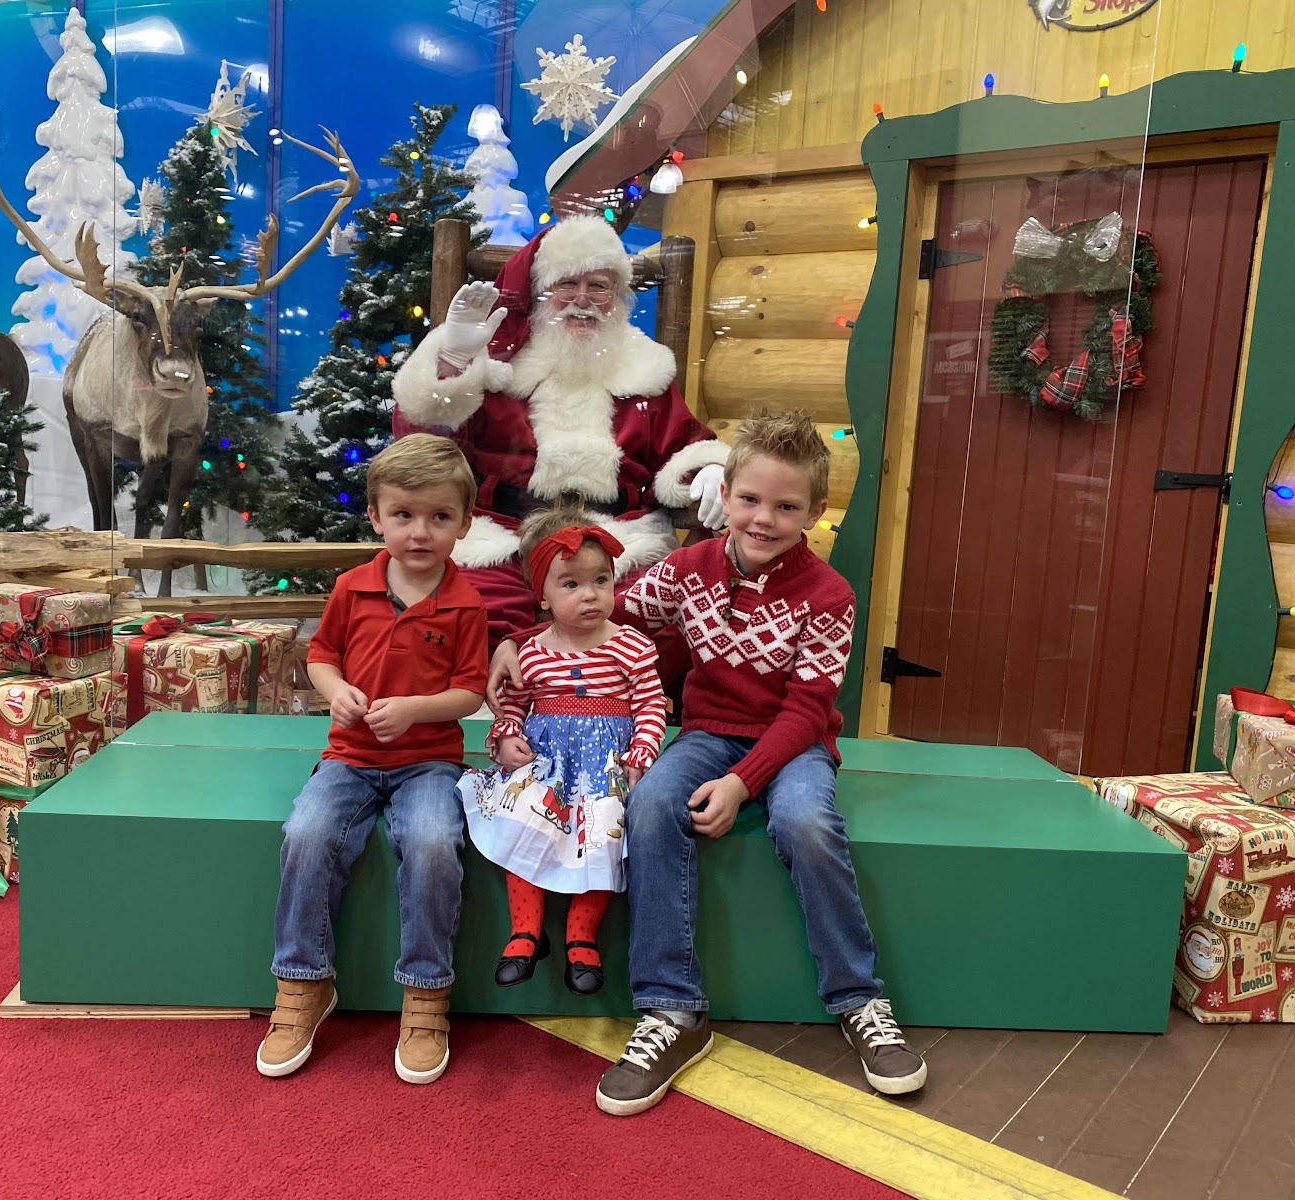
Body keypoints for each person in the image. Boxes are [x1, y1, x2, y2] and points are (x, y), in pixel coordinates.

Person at [489, 410, 929, 1115]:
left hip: (793, 743)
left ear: (815, 511)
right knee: (651, 804)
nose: (764, 519)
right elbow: (597, 608)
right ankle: (672, 1008)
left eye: (787, 507)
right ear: (725, 496)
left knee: (807, 823)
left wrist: (740, 784)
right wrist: (518, 638)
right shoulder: (688, 571)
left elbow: (806, 710)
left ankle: (858, 998)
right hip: (707, 733)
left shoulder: (830, 597)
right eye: (750, 500)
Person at [391, 214, 731, 668]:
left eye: (599, 286)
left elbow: (683, 443)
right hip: (505, 535)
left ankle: (601, 705)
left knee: (649, 620)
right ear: (539, 290)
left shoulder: (644, 367)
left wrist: (707, 468)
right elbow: (422, 444)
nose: (582, 300)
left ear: (618, 295)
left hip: (615, 542)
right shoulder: (499, 362)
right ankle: (495, 704)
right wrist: (453, 362)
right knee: (465, 615)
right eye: (567, 283)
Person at [256, 433, 488, 1086]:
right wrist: (336, 692)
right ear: (376, 516)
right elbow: (321, 655)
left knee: (434, 843)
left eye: (439, 517)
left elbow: (470, 692)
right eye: (403, 515)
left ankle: (427, 993)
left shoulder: (466, 603)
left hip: (429, 762)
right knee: (307, 833)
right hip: (350, 756)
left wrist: (415, 709)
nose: (420, 532)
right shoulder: (352, 587)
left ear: (465, 523)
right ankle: (302, 983)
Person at [458, 504, 666, 996]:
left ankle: (581, 937)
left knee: (605, 838)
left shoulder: (632, 646)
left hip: (606, 767)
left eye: (601, 580)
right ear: (543, 596)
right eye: (571, 585)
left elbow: (651, 704)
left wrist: (641, 752)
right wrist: (508, 733)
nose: (590, 594)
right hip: (547, 764)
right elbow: (513, 703)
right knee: (520, 821)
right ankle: (526, 932)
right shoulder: (530, 652)